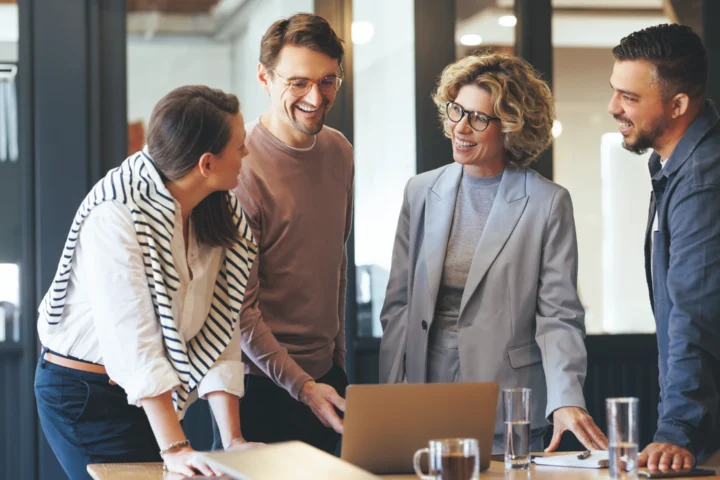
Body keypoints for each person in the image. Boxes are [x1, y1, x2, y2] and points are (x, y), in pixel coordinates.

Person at [379, 52, 607, 453]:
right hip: (423, 392)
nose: (460, 127)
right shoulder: (420, 191)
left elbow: (560, 315)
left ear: (512, 128)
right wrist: (390, 396)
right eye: (456, 111)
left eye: (479, 118)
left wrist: (566, 398)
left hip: (508, 399)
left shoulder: (547, 202)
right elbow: (398, 305)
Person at [35, 85, 259, 479]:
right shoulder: (116, 214)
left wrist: (234, 441)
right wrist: (175, 447)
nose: (246, 154)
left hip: (148, 396)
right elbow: (132, 342)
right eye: (240, 145)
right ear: (206, 164)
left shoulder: (217, 210)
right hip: (85, 395)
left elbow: (222, 327)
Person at [210, 13, 354, 454]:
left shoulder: (339, 150)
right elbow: (240, 309)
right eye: (298, 82)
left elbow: (336, 264)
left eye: (328, 81)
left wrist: (335, 366)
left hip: (328, 380)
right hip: (261, 387)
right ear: (264, 78)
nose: (316, 96)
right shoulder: (241, 168)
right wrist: (303, 385)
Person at [608, 23, 720, 471]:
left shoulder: (701, 180)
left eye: (629, 98)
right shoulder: (676, 166)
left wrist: (677, 431)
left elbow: (697, 313)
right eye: (615, 91)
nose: (613, 107)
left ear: (677, 105)